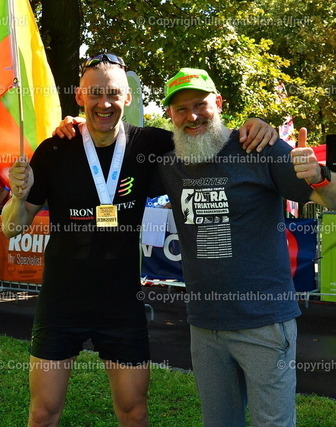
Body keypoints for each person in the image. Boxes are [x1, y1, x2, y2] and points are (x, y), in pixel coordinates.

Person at [2, 53, 277, 427]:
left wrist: (255, 125)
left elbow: (205, 133)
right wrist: (19, 198)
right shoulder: (54, 149)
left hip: (121, 304)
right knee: (43, 412)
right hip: (61, 303)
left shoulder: (152, 144)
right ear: (80, 97)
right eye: (94, 94)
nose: (104, 103)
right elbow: (12, 228)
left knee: (134, 412)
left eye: (113, 94)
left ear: (127, 98)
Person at [153, 68, 336, 427]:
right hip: (204, 324)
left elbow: (331, 199)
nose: (192, 116)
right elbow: (115, 141)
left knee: (273, 423)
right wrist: (79, 126)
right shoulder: (169, 163)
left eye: (200, 104)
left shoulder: (259, 147)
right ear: (171, 115)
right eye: (181, 109)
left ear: (219, 103)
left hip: (264, 322)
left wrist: (319, 177)